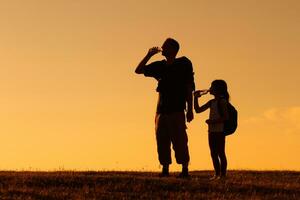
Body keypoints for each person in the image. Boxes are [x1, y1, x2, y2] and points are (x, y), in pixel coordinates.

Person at [135, 38, 195, 177]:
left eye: (165, 46)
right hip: (161, 110)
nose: (162, 48)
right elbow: (138, 70)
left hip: (177, 109)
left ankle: (184, 169)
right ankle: (165, 169)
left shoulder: (183, 64)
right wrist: (149, 55)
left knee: (180, 140)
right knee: (162, 140)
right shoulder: (160, 66)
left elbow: (188, 88)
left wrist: (190, 109)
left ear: (173, 49)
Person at [194, 80, 230, 180]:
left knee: (221, 153)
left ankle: (222, 175)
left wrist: (212, 122)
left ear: (218, 89)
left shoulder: (222, 102)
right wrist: (195, 98)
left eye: (212, 86)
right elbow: (198, 110)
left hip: (219, 131)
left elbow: (225, 117)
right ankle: (217, 174)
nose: (210, 88)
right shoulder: (212, 102)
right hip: (212, 131)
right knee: (213, 153)